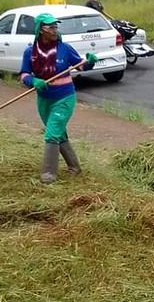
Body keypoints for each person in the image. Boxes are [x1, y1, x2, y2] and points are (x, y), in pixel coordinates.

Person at [20, 13, 97, 183]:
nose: (55, 30)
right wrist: (33, 80)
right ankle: (75, 167)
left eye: (56, 27)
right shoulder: (30, 52)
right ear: (41, 30)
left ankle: (49, 174)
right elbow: (24, 74)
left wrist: (90, 62)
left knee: (51, 134)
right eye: (50, 27)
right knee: (59, 133)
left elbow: (81, 65)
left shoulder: (65, 49)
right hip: (44, 100)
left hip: (65, 98)